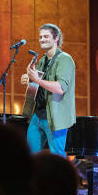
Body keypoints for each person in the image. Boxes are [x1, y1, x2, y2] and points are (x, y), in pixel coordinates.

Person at [20, 23, 75, 157]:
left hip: (55, 117)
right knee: (30, 156)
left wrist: (37, 80)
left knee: (57, 156)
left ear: (56, 38)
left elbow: (60, 88)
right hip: (37, 115)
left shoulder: (65, 59)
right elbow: (37, 85)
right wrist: (28, 79)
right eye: (40, 37)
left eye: (46, 36)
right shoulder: (42, 60)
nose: (42, 40)